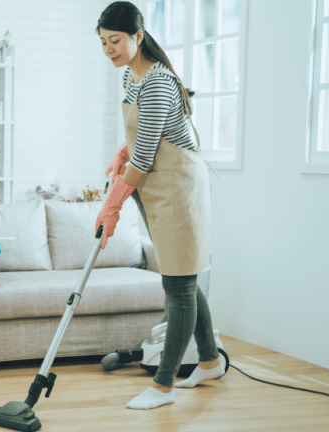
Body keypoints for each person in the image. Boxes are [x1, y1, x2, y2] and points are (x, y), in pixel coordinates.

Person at [94, 1, 226, 410]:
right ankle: (209, 360)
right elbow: (146, 134)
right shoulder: (132, 81)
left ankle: (164, 386)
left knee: (179, 284)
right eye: (102, 42)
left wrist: (112, 205)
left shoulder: (157, 81)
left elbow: (148, 155)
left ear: (137, 35)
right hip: (153, 188)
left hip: (176, 187)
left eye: (115, 40)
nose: (109, 49)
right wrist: (122, 152)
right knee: (180, 274)